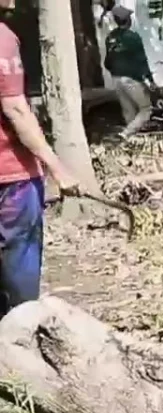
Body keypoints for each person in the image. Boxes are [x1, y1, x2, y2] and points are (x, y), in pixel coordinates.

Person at [0, 0, 78, 317]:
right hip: (11, 180)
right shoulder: (3, 39)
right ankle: (21, 348)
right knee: (20, 275)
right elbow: (16, 109)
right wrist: (58, 168)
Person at [104, 6, 154, 140]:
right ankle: (125, 134)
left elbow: (107, 61)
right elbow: (142, 60)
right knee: (146, 109)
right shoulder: (133, 37)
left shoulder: (110, 38)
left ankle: (131, 139)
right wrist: (149, 79)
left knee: (128, 110)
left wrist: (115, 72)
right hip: (130, 79)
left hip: (116, 78)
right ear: (128, 20)